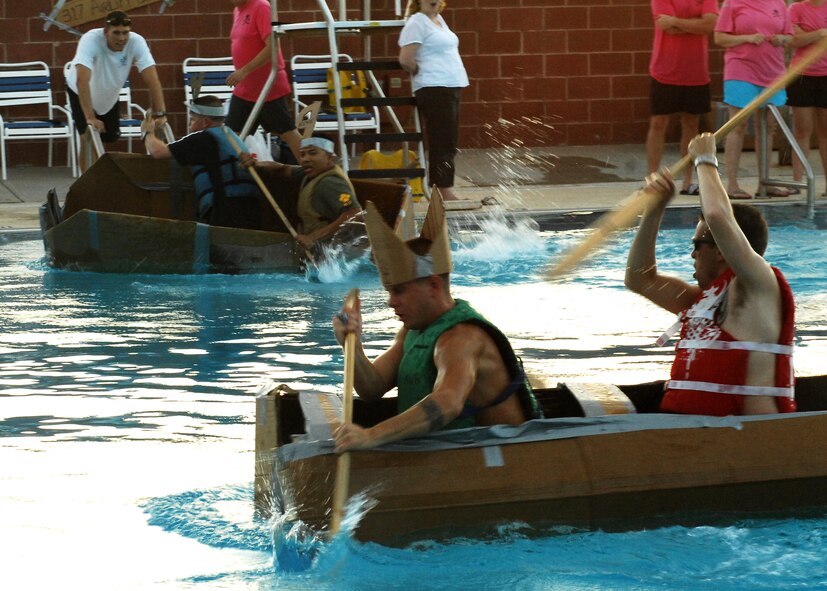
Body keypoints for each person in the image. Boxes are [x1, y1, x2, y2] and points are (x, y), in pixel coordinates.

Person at [332, 192, 541, 452]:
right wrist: (350, 344)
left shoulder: (462, 337)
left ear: (433, 285)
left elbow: (448, 403)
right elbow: (372, 388)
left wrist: (371, 436)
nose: (390, 302)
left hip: (504, 459)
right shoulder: (412, 331)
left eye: (399, 291)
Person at [624, 132, 796, 417]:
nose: (692, 255)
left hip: (749, 441)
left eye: (697, 245)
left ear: (719, 250)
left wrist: (705, 158)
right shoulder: (702, 300)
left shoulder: (759, 288)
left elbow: (717, 216)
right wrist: (654, 210)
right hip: (692, 437)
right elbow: (639, 278)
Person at [65, 10, 168, 173]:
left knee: (110, 136)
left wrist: (161, 113)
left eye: (125, 33)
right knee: (87, 135)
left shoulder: (136, 42)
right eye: (116, 33)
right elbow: (81, 80)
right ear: (106, 32)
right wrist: (90, 117)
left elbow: (152, 78)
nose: (121, 38)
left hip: (108, 96)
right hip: (80, 92)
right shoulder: (90, 40)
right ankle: (88, 183)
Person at [141, 95, 263, 229]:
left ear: (205, 122)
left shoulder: (203, 139)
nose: (189, 125)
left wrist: (148, 132)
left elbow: (157, 152)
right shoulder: (230, 135)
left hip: (226, 207)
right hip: (251, 205)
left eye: (192, 120)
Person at [714, 0, 794, 200]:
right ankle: (732, 185)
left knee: (767, 127)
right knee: (737, 125)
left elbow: (790, 36)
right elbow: (720, 37)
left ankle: (764, 183)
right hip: (741, 69)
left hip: (772, 72)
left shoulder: (779, 3)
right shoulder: (733, 3)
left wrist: (782, 39)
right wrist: (747, 38)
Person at [645, 0, 718, 196]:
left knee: (691, 123)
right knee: (658, 123)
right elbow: (667, 29)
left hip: (696, 72)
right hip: (665, 70)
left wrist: (676, 21)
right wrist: (696, 24)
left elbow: (710, 25)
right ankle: (652, 179)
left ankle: (688, 182)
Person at [398, 0, 469, 202]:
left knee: (449, 141)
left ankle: (443, 187)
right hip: (434, 87)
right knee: (442, 140)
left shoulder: (438, 19)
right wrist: (424, 72)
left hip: (450, 85)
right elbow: (405, 59)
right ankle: (442, 190)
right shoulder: (417, 22)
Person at [240, 136, 360, 249]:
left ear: (329, 158)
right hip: (316, 250)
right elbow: (282, 169)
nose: (305, 159)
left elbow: (355, 214)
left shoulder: (331, 183)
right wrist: (257, 164)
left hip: (331, 252)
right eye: (302, 154)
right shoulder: (309, 174)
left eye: (313, 153)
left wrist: (312, 237)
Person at [226, 0, 302, 163]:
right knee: (232, 134)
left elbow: (273, 47)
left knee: (287, 132)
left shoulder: (261, 7)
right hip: (245, 88)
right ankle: (233, 178)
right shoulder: (237, 10)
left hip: (267, 87)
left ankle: (314, 171)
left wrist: (244, 70)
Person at [788, 0, 827, 195]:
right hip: (802, 75)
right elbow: (794, 40)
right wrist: (820, 33)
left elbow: (802, 37)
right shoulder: (796, 9)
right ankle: (797, 182)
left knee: (825, 133)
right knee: (802, 131)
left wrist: (807, 34)